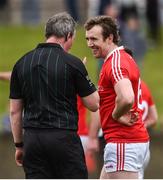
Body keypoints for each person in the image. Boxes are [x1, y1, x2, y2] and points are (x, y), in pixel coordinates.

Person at [9, 12, 99, 179]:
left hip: (32, 140)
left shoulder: (21, 63)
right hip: (63, 138)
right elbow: (94, 104)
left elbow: (15, 112)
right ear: (68, 35)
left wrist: (19, 145)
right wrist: (83, 76)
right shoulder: (73, 63)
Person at [84, 15, 149, 179]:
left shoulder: (115, 62)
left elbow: (127, 97)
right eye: (87, 39)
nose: (89, 44)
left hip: (123, 142)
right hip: (125, 142)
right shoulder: (122, 58)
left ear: (110, 38)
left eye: (94, 39)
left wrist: (115, 115)